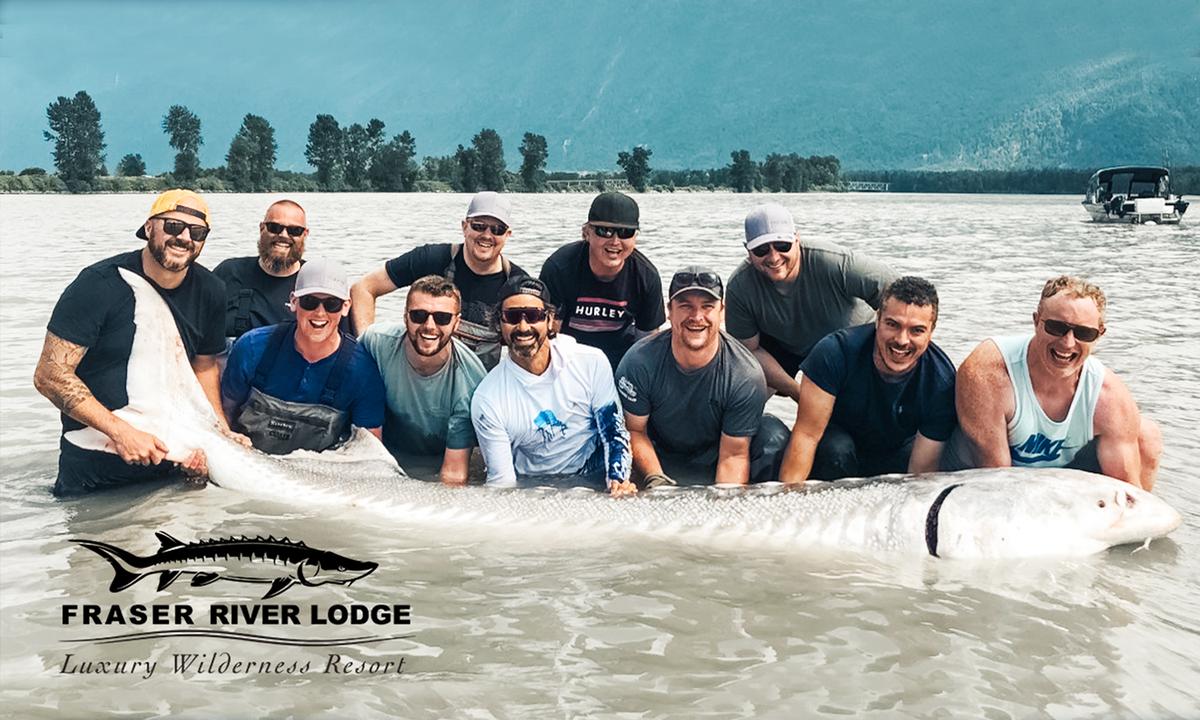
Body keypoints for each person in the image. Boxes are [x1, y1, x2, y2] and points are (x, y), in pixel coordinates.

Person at [34, 189, 236, 496]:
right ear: (148, 227)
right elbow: (49, 376)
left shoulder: (212, 290)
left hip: (171, 470)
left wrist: (220, 432)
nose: (183, 237)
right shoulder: (97, 284)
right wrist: (122, 432)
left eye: (196, 232)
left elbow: (205, 367)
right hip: (94, 475)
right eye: (172, 226)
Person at [945, 275, 1162, 490]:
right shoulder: (990, 371)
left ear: (1099, 334)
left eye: (1084, 333)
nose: (1067, 343)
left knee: (1147, 435)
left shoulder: (1109, 395)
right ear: (1036, 321)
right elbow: (998, 481)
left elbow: (1127, 491)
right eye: (1057, 328)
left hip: (1058, 474)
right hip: (985, 476)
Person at [615, 266, 790, 487]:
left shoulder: (745, 374)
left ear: (722, 312)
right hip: (657, 452)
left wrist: (724, 501)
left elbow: (733, 455)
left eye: (707, 307)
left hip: (716, 452)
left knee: (772, 435)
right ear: (669, 311)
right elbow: (635, 430)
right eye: (685, 306)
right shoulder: (638, 362)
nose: (696, 317)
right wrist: (655, 479)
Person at [779, 276, 956, 483]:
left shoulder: (942, 381)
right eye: (893, 324)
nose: (901, 340)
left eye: (916, 330)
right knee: (836, 449)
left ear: (931, 332)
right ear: (878, 320)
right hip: (837, 450)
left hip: (897, 453)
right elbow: (806, 436)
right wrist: (789, 496)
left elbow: (922, 472)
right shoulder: (833, 353)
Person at [470, 277, 636, 496]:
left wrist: (618, 481)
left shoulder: (591, 361)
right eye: (511, 317)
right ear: (499, 323)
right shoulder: (487, 397)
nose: (523, 327)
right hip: (532, 483)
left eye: (533, 316)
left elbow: (614, 433)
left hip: (592, 470)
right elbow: (502, 483)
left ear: (549, 320)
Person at [725, 203, 895, 402]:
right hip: (787, 346)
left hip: (850, 344)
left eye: (782, 246)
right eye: (761, 250)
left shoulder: (836, 263)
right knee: (741, 388)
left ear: (797, 239)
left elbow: (901, 296)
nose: (773, 257)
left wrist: (885, 352)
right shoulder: (739, 287)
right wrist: (801, 394)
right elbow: (749, 351)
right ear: (748, 250)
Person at [221, 258, 385, 454]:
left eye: (332, 304)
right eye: (310, 302)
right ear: (293, 302)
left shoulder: (363, 371)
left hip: (319, 473)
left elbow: (370, 452)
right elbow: (223, 416)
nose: (320, 313)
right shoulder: (251, 347)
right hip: (248, 459)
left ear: (346, 307)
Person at [349, 191, 527, 369]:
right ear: (465, 227)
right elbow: (363, 288)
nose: (487, 235)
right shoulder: (429, 258)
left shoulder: (518, 285)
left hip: (478, 385)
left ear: (507, 234)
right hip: (416, 374)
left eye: (497, 229)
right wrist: (365, 354)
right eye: (479, 226)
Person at [361, 275, 488, 485]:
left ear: (457, 323)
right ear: (405, 317)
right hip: (382, 453)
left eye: (442, 318)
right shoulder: (374, 343)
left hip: (435, 464)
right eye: (419, 315)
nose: (429, 326)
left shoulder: (471, 381)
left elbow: (454, 474)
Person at [539, 191, 665, 370]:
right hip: (566, 363)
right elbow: (548, 335)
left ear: (635, 237)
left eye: (625, 232)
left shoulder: (646, 277)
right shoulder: (559, 268)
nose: (615, 241)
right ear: (586, 233)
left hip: (620, 364)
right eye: (604, 231)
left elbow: (646, 346)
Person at [212, 199, 309, 340]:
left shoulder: (314, 281)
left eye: (294, 230)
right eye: (274, 227)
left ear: (305, 234)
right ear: (262, 228)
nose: (283, 235)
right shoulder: (228, 272)